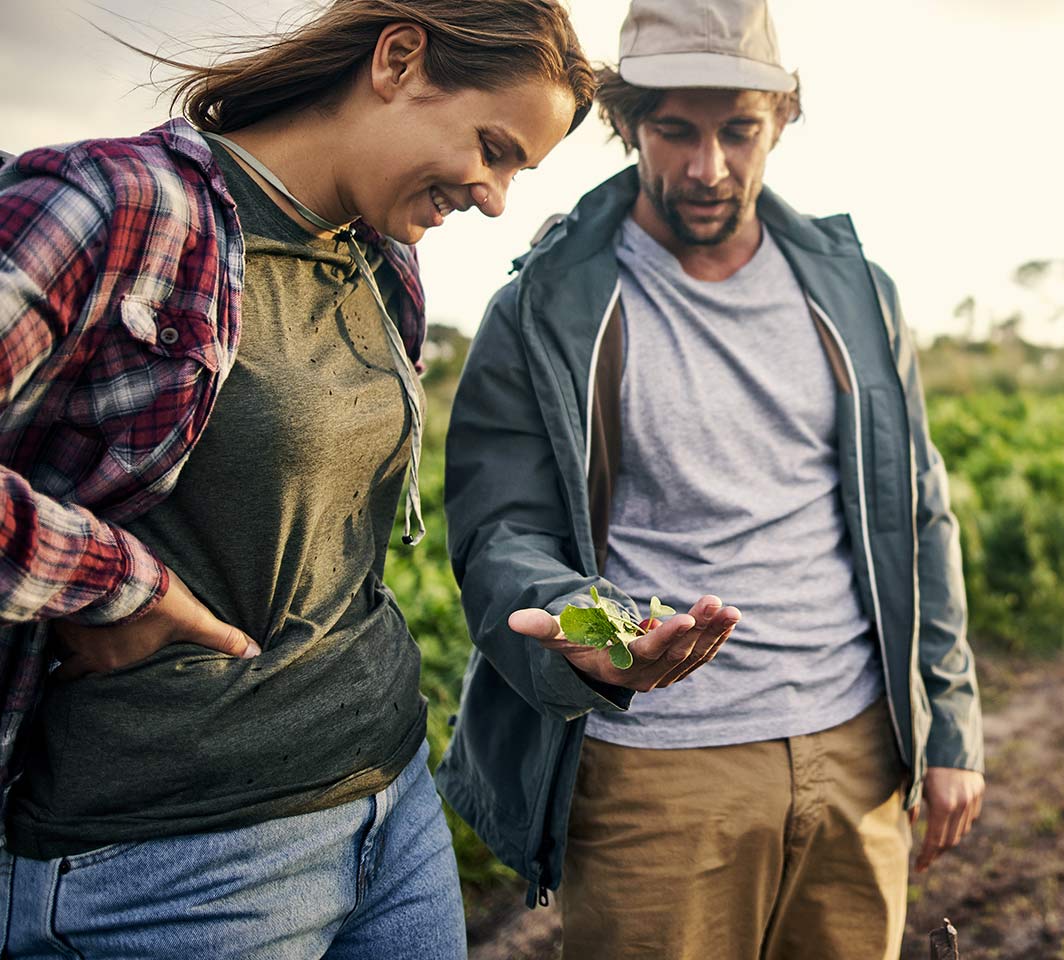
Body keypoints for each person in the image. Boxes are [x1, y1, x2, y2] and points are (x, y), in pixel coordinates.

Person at [0, 2, 633, 956]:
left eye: (518, 172)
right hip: (164, 868)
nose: (497, 196)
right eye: (492, 148)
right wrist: (111, 583)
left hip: (391, 807)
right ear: (399, 59)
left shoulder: (388, 266)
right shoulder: (114, 202)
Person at [434, 0, 987, 956]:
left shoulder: (857, 290)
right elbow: (500, 535)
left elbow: (918, 513)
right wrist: (583, 624)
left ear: (782, 120)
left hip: (857, 747)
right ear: (625, 122)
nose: (708, 167)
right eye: (674, 130)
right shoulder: (543, 307)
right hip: (653, 775)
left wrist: (949, 728)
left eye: (739, 129)